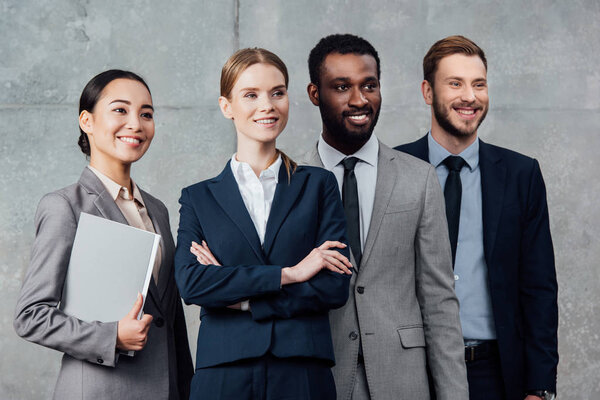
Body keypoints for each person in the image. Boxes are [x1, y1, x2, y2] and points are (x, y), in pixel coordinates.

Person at [174, 48, 353, 400]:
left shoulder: (318, 185)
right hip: (223, 370)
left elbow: (334, 286)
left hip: (303, 368)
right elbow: (193, 284)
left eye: (277, 92)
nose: (267, 105)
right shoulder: (198, 198)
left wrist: (240, 299)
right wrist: (291, 274)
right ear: (227, 106)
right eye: (251, 95)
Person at [303, 34, 468, 400]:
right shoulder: (291, 181)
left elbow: (439, 300)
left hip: (403, 380)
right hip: (319, 376)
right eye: (342, 87)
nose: (360, 100)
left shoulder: (419, 178)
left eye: (370, 85)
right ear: (315, 94)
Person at [395, 35, 558, 400]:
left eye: (478, 84)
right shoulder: (393, 169)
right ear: (427, 91)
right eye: (455, 83)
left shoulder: (520, 174)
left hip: (495, 375)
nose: (470, 96)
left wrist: (540, 387)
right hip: (410, 371)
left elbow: (539, 288)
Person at [13, 70, 193, 400]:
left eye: (146, 114)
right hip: (100, 391)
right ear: (87, 121)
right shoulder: (65, 206)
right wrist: (111, 337)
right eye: (120, 110)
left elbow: (170, 317)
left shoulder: (157, 209)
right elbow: (30, 317)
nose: (136, 124)